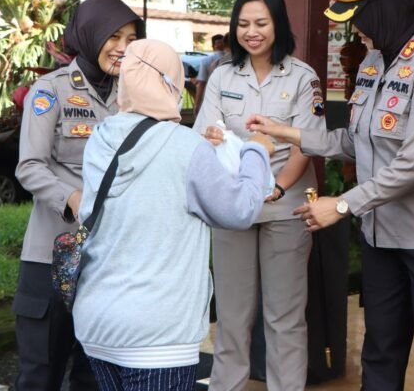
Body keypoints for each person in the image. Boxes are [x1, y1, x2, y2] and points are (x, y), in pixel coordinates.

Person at [247, 0, 414, 391]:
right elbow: (356, 141)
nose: (354, 27)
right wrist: (289, 133)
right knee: (380, 352)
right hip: (384, 236)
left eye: (358, 15)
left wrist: (344, 204)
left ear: (384, 7)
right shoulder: (375, 63)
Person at [71, 39, 273, 391]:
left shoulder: (100, 136)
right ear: (170, 83)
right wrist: (256, 151)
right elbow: (240, 210)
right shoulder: (185, 147)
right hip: (157, 334)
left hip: (96, 323)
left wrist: (205, 154)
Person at [194, 0, 325, 391]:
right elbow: (204, 134)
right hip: (233, 207)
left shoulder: (304, 77)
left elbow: (309, 140)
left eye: (261, 23)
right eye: (243, 24)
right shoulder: (221, 74)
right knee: (232, 315)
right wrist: (213, 138)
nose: (251, 32)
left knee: (284, 315)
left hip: (285, 208)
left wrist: (280, 189)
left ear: (278, 25)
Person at [13, 0, 144, 391]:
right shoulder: (50, 90)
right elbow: (30, 166)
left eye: (131, 38)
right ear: (89, 35)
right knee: (40, 374)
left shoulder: (134, 95)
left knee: (95, 374)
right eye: (113, 36)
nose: (122, 48)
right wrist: (73, 199)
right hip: (51, 253)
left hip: (107, 259)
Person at [193, 33, 226, 117]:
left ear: (213, 46)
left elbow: (202, 84)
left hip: (210, 98)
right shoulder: (235, 60)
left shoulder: (206, 61)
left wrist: (197, 104)